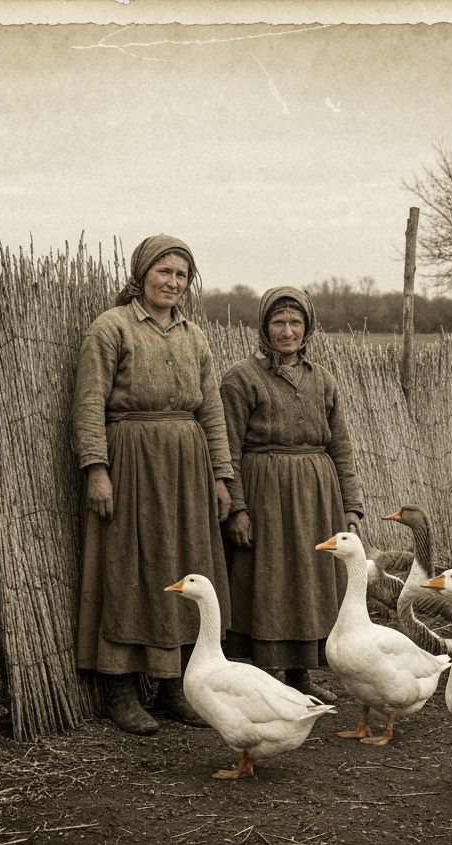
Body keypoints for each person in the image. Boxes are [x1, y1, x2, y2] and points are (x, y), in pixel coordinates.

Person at [71, 234, 233, 736]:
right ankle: (119, 688)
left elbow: (211, 411)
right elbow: (89, 403)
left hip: (187, 467)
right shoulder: (112, 327)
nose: (172, 282)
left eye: (181, 275)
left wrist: (222, 476)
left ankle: (173, 687)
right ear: (142, 274)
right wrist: (97, 468)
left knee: (185, 564)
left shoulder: (195, 337)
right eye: (164, 271)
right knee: (128, 566)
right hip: (132, 460)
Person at [219, 286, 364, 702]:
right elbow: (228, 448)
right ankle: (262, 677)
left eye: (295, 322)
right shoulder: (242, 378)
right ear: (265, 328)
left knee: (308, 577)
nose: (287, 331)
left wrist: (350, 505)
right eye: (278, 322)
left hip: (317, 494)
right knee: (266, 578)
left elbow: (342, 447)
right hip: (264, 490)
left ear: (308, 328)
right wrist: (239, 508)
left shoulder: (323, 381)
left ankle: (300, 675)